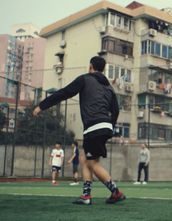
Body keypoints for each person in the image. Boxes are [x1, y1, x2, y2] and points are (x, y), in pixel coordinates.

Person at [33, 56, 125, 205]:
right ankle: (87, 195)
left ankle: (114, 192)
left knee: (91, 163)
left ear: (90, 67)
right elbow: (115, 110)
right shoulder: (109, 87)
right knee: (85, 158)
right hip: (106, 127)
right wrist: (110, 126)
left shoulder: (85, 79)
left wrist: (42, 106)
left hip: (94, 126)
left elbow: (64, 93)